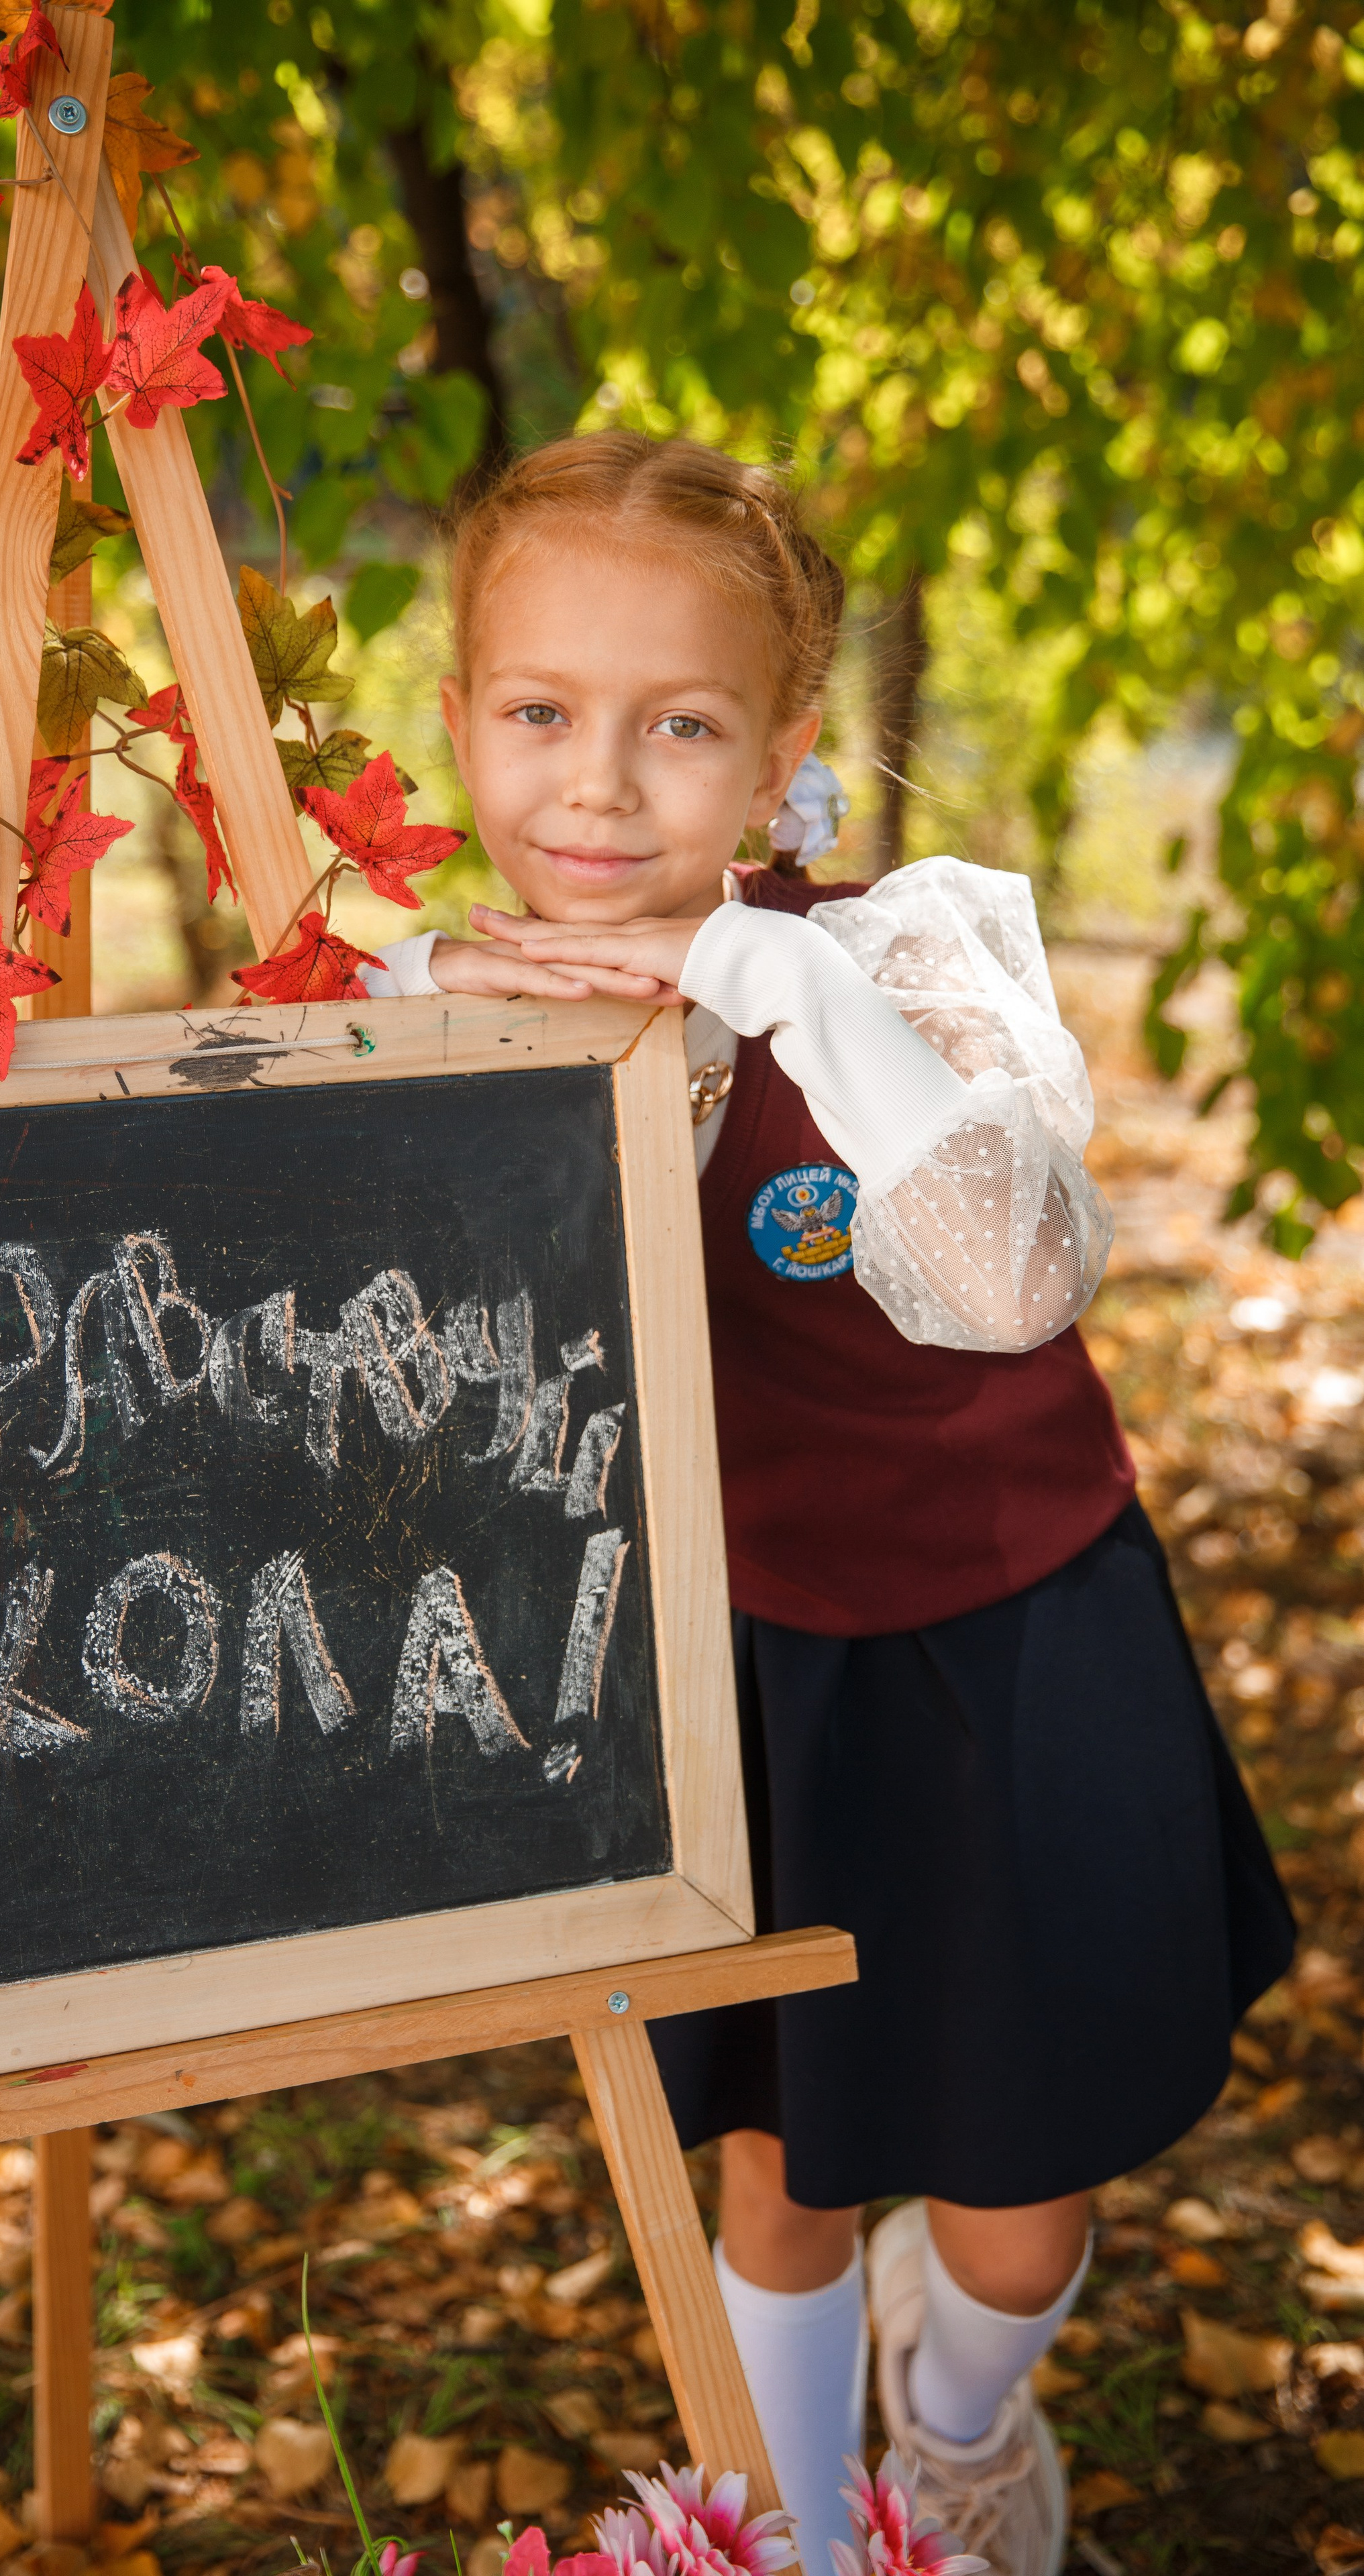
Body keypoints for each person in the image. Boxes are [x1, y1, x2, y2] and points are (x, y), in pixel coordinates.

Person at [353, 432, 1293, 2576]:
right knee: (780, 2146)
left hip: (1012, 1627)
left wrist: (765, 980)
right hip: (745, 1652)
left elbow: (1016, 1275)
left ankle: (956, 2418)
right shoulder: (438, 1012)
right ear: (463, 725)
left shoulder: (908, 952)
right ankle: (794, 2532)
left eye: (678, 726)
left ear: (782, 756)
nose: (597, 787)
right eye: (539, 714)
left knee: (1015, 2187)